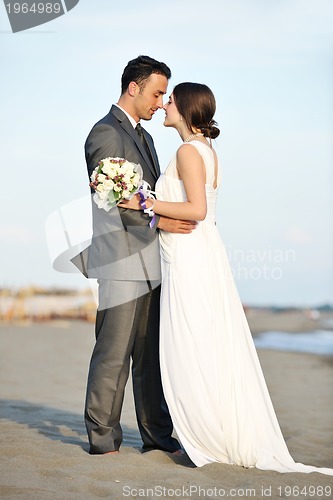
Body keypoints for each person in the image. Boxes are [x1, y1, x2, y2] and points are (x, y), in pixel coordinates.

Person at [119, 82, 333, 475]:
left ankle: (206, 436)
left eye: (170, 100)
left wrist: (144, 202)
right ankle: (209, 430)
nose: (164, 105)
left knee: (193, 345)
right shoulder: (207, 151)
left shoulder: (187, 150)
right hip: (200, 252)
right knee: (205, 344)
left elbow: (196, 209)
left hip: (190, 257)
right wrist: (157, 211)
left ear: (184, 109)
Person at [83, 56, 196, 455]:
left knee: (150, 356)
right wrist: (163, 224)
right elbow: (112, 199)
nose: (160, 101)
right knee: (113, 353)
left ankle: (158, 438)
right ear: (134, 87)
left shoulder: (145, 138)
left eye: (164, 94)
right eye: (157, 92)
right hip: (121, 260)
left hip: (152, 262)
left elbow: (148, 196)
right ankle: (103, 441)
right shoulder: (105, 133)